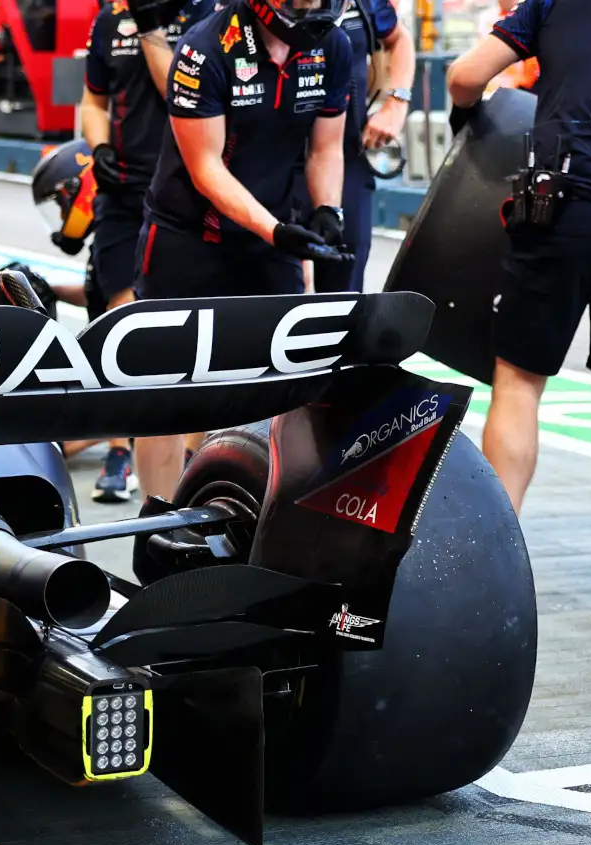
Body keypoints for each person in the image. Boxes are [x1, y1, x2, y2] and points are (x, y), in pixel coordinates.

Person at [448, 0, 591, 633]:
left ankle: (489, 576)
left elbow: (465, 75)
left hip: (562, 206)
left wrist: (466, 118)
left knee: (519, 383)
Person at [130, 0, 353, 502]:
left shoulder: (332, 46)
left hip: (271, 239)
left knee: (284, 391)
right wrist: (276, 230)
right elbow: (206, 168)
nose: (310, 7)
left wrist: (327, 212)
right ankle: (156, 527)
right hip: (187, 240)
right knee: (162, 396)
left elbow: (325, 148)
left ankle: (260, 521)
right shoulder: (202, 50)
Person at [75, 0, 215, 502]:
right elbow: (93, 100)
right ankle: (120, 445)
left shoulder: (212, 18)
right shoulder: (111, 18)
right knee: (127, 320)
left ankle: (198, 459)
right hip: (124, 193)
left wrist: (154, 25)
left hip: (190, 193)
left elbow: (177, 91)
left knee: (189, 337)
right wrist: (99, 148)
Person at [310, 0, 413, 293]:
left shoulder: (362, 4)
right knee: (275, 292)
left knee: (343, 292)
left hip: (347, 159)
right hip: (276, 163)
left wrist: (396, 102)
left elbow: (400, 38)